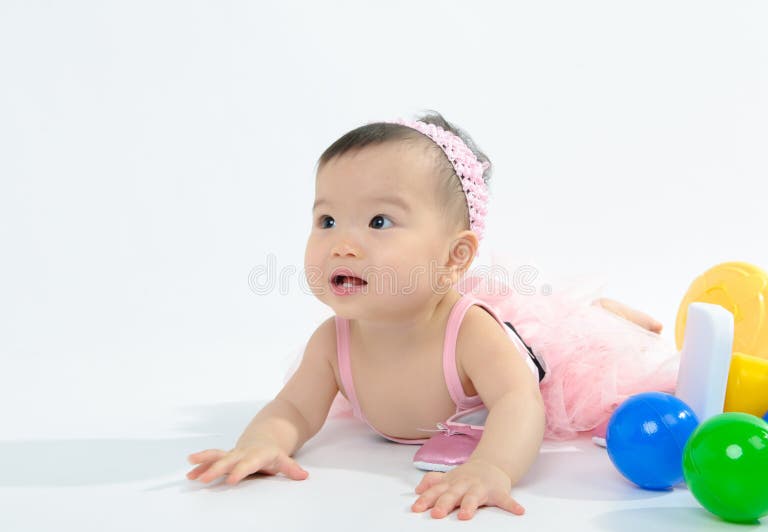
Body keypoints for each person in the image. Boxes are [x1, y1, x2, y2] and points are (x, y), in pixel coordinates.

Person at [186, 111, 677, 520]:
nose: (343, 243)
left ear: (453, 258)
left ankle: (607, 315)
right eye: (327, 220)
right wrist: (263, 442)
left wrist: (493, 467)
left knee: (587, 346)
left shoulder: (469, 332)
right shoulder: (332, 341)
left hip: (545, 368)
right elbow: (293, 409)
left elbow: (517, 402)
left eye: (380, 221)